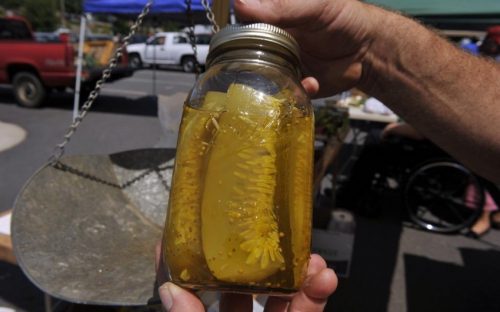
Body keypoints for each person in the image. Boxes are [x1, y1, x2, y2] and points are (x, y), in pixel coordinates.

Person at [159, 0, 500, 309]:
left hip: (243, 257)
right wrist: (369, 50)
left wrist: (369, 49)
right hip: (215, 258)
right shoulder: (217, 88)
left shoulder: (281, 96)